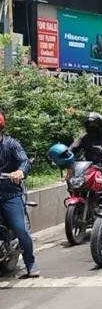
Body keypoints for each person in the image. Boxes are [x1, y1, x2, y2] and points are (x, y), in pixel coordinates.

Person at [0, 112, 39, 278]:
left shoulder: (11, 144)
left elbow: (24, 161)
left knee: (21, 229)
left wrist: (19, 172)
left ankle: (30, 263)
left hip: (10, 194)